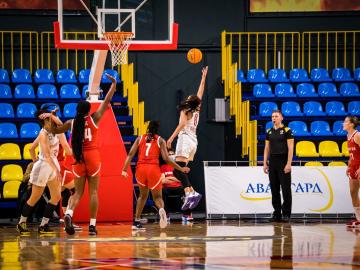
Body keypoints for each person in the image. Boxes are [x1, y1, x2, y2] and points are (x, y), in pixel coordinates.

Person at [50, 73, 117, 236]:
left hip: (78, 158)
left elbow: (54, 130)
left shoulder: (71, 123)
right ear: (88, 110)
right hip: (92, 157)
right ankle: (92, 226)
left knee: (77, 193)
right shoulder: (94, 118)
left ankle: (68, 214)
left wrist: (52, 116)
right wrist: (113, 85)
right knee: (93, 192)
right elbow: (106, 101)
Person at [121, 121, 190, 230]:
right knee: (157, 197)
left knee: (142, 196)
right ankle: (161, 209)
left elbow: (130, 154)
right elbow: (167, 159)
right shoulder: (160, 140)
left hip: (141, 169)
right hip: (153, 169)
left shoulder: (140, 138)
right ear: (157, 129)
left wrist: (124, 169)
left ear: (147, 128)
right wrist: (181, 168)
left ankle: (136, 222)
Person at [16, 109, 72, 235]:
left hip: (52, 166)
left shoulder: (57, 131)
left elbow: (31, 149)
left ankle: (44, 225)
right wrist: (37, 163)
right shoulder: (43, 134)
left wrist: (51, 115)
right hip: (44, 166)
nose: (55, 119)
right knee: (34, 197)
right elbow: (45, 155)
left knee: (56, 196)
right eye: (51, 118)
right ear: (46, 120)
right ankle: (21, 222)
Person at [166, 66, 208, 211]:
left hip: (185, 139)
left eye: (189, 97)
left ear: (190, 101)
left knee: (177, 171)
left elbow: (182, 124)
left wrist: (171, 138)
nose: (189, 97)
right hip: (194, 141)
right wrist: (203, 78)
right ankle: (190, 192)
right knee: (178, 170)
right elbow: (200, 93)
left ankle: (190, 192)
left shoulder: (186, 110)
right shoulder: (197, 108)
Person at [263, 110, 294, 222]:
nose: (274, 118)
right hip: (273, 162)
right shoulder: (269, 131)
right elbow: (266, 148)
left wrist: (288, 164)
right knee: (274, 189)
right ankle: (277, 213)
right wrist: (264, 163)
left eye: (276, 116)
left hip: (283, 161)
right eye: (272, 116)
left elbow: (291, 148)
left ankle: (286, 214)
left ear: (282, 118)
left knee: (286, 189)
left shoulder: (287, 130)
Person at [160, 149, 193, 223]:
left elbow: (181, 179)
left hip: (179, 187)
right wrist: (175, 178)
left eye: (172, 154)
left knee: (188, 192)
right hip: (167, 188)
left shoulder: (178, 166)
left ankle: (186, 215)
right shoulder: (163, 167)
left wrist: (168, 177)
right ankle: (166, 215)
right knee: (161, 192)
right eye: (169, 154)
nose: (171, 156)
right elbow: (162, 181)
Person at [343, 116, 360, 228]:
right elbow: (351, 154)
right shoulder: (348, 135)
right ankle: (359, 219)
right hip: (353, 167)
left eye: (345, 121)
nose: (343, 123)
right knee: (353, 192)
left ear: (352, 124)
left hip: (359, 166)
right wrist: (349, 165)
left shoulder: (357, 135)